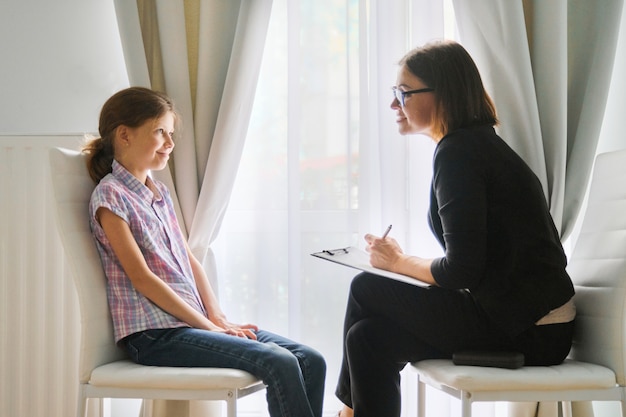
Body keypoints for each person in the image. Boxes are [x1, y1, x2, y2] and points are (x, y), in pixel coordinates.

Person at [335, 40, 576, 417]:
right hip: (517, 318)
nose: (393, 105)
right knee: (368, 338)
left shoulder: (460, 152)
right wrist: (399, 263)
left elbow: (461, 270)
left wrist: (397, 262)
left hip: (530, 328)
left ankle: (346, 415)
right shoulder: (473, 146)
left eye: (403, 93)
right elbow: (473, 266)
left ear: (442, 94)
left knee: (366, 286)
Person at [84, 86, 326, 417]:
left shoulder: (159, 193)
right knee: (279, 361)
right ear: (125, 135)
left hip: (188, 325)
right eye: (160, 132)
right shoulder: (110, 196)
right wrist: (209, 328)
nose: (170, 143)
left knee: (311, 360)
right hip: (154, 335)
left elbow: (189, 260)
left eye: (170, 133)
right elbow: (141, 278)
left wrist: (218, 317)